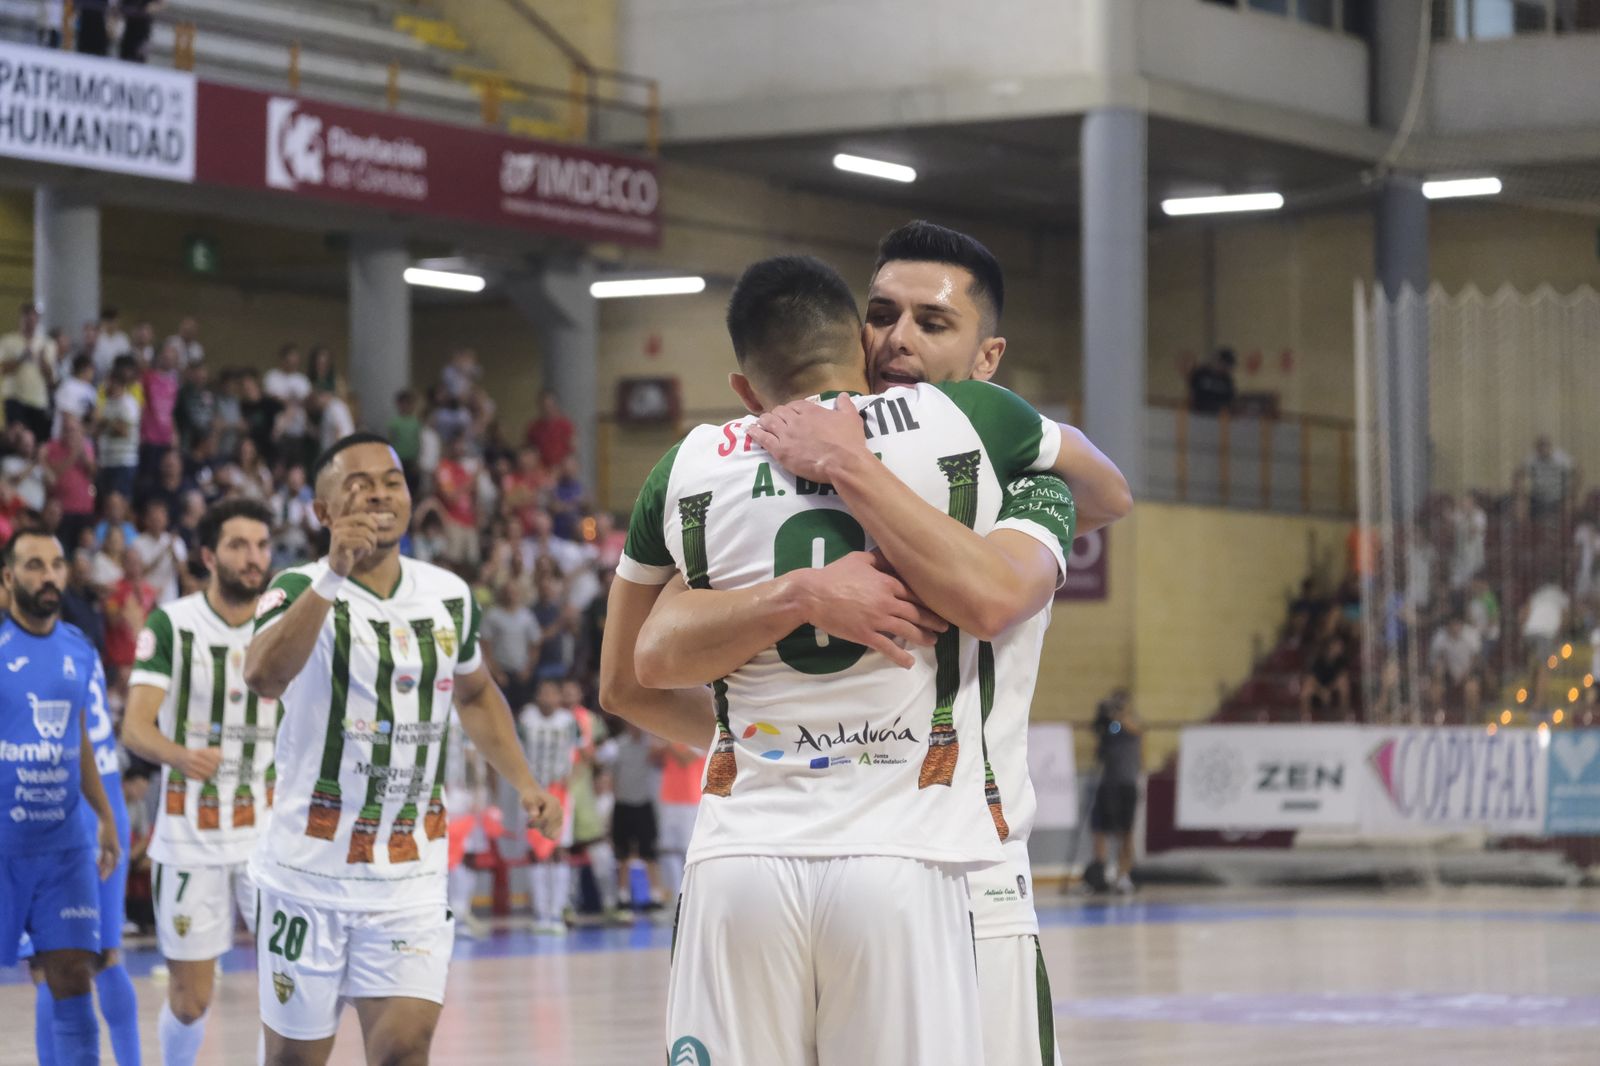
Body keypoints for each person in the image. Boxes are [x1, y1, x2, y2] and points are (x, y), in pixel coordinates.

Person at [611, 223, 1129, 1065]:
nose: (896, 338)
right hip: (900, 857)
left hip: (970, 872)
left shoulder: (1018, 475)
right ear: (851, 333)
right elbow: (647, 657)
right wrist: (794, 728)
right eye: (881, 314)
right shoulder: (773, 460)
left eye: (931, 322)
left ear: (988, 357)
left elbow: (1014, 580)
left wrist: (854, 465)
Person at [242, 432, 562, 1064]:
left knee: (404, 1049)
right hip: (308, 873)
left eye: (391, 482)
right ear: (322, 511)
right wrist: (334, 573)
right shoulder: (294, 586)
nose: (379, 495)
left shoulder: (447, 593)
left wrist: (525, 782)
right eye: (357, 485)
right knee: (292, 1059)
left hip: (409, 874)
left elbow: (474, 694)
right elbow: (263, 677)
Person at [122, 499, 277, 1066]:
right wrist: (181, 756)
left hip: (273, 840)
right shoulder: (172, 623)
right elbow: (135, 727)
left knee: (290, 991)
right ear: (210, 555)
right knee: (190, 1003)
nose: (253, 557)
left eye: (261, 545)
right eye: (238, 545)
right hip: (191, 838)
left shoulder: (284, 623)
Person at [0, 530, 121, 1064]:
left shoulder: (79, 646)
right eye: (33, 565)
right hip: (4, 845)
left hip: (65, 847)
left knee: (73, 976)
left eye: (55, 564)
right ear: (8, 578)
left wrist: (105, 816)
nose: (47, 575)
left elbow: (79, 738)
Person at [23, 654, 141, 1066]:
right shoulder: (78, 645)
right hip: (106, 809)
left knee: (48, 965)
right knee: (107, 956)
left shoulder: (18, 652)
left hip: (52, 814)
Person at [518, 679, 578, 934]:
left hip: (560, 790)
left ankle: (556, 912)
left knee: (559, 850)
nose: (549, 697)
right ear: (537, 696)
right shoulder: (526, 720)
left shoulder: (568, 721)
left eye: (553, 692)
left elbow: (577, 754)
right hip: (534, 791)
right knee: (536, 851)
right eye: (544, 692)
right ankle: (541, 913)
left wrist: (569, 783)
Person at [1089, 690, 1143, 894]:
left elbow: (1136, 729)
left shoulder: (1132, 722)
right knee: (1100, 829)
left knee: (1125, 832)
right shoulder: (1109, 730)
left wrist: (1119, 716)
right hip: (1108, 783)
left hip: (1126, 784)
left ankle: (1124, 875)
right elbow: (1098, 753)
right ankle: (1099, 875)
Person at [0, 301, 59, 444]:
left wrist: (42, 361)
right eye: (27, 316)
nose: (30, 321)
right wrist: (20, 358)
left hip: (38, 400)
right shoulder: (8, 341)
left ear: (38, 320)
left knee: (38, 440)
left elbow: (51, 380)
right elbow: (2, 369)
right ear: (22, 318)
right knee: (18, 438)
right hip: (15, 398)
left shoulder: (47, 344)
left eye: (34, 317)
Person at [96, 356, 142, 505]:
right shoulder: (108, 403)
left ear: (117, 383)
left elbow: (124, 431)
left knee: (120, 501)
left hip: (123, 461)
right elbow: (99, 430)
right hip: (107, 460)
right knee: (108, 501)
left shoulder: (128, 404)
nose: (106, 385)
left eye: (109, 381)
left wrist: (104, 421)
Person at [1429, 615, 1484, 721]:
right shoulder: (1440, 637)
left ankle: (1472, 719)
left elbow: (1476, 660)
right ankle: (1438, 718)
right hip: (1448, 674)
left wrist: (1465, 675)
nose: (1454, 628)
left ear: (1461, 625)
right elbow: (1438, 662)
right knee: (1435, 690)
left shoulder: (1471, 635)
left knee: (1472, 688)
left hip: (1467, 673)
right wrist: (1438, 677)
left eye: (1457, 625)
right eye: (1452, 625)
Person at [525, 389, 574, 470]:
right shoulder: (533, 427)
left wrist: (561, 468)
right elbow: (529, 450)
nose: (547, 408)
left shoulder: (566, 425)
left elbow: (571, 448)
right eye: (544, 405)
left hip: (561, 469)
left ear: (555, 405)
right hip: (540, 471)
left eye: (550, 405)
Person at [1188, 347, 1237, 415]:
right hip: (1199, 413)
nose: (1226, 369)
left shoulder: (1227, 380)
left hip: (1216, 416)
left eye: (1228, 367)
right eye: (1225, 365)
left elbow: (1230, 400)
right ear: (1219, 361)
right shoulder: (1200, 373)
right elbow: (1192, 393)